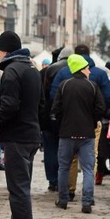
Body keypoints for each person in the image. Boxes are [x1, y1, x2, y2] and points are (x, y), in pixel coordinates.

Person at [0, 31, 41, 219]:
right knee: (21, 187)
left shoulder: (12, 70)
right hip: (30, 134)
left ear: (7, 50)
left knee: (18, 189)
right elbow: (42, 103)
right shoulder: (31, 68)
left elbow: (9, 105)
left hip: (17, 136)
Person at [50, 44, 110, 200]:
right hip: (87, 131)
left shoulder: (64, 85)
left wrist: (62, 120)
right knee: (88, 168)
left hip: (66, 131)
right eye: (87, 68)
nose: (89, 71)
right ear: (82, 68)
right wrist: (93, 119)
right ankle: (87, 199)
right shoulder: (92, 85)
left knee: (64, 167)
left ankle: (64, 198)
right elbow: (101, 106)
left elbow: (55, 107)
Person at [39, 47, 72, 191]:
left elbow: (43, 94)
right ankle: (64, 180)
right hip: (67, 115)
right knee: (66, 149)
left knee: (50, 148)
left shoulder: (49, 70)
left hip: (49, 114)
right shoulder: (74, 69)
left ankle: (52, 179)